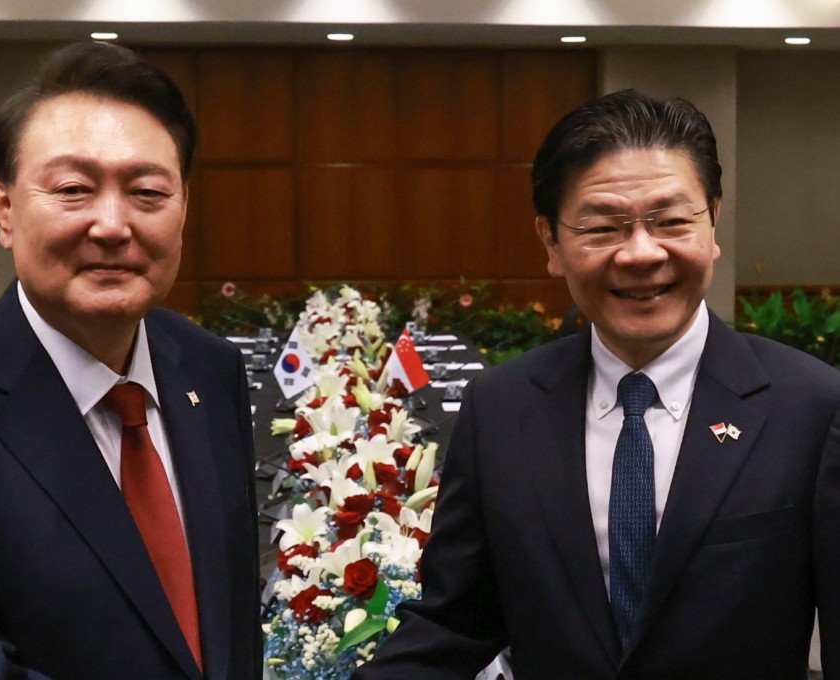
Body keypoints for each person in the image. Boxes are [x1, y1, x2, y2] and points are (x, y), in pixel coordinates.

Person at [353, 90, 840, 679]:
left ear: (713, 221)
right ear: (550, 242)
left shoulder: (812, 408)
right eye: (603, 227)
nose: (641, 253)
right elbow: (455, 622)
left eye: (671, 221)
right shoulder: (501, 409)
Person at [0, 42, 261, 680]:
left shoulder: (208, 367)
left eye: (147, 192)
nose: (113, 225)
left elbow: (229, 623)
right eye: (74, 189)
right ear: (4, 209)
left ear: (183, 209)